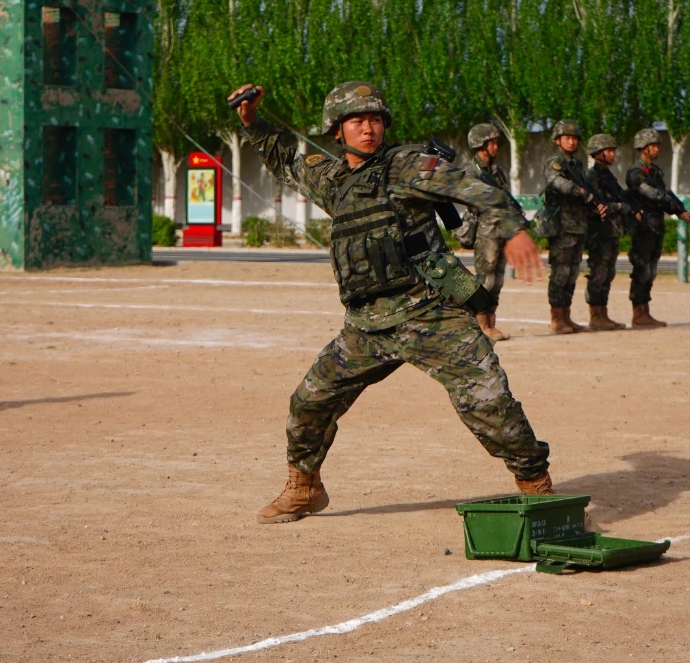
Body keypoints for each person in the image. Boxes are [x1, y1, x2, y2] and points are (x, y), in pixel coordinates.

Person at [229, 81, 554, 523]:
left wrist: (514, 228)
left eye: (376, 119)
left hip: (430, 314)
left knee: (489, 405)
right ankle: (304, 488)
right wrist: (252, 122)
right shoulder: (333, 180)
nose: (369, 129)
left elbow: (471, 187)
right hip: (365, 325)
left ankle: (538, 489)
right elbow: (285, 159)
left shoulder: (405, 166)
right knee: (310, 402)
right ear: (337, 130)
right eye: (358, 121)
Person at [458, 122, 524, 342]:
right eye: (491, 143)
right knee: (485, 279)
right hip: (485, 231)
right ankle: (481, 324)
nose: (495, 147)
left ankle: (491, 322)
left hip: (501, 229)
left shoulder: (497, 172)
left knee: (497, 279)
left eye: (496, 142)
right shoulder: (470, 171)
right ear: (479, 145)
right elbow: (472, 199)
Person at [541, 120, 608, 334]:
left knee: (572, 272)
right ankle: (556, 318)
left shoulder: (577, 166)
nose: (571, 141)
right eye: (567, 138)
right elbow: (555, 182)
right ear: (558, 140)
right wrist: (581, 192)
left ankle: (567, 316)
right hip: (561, 226)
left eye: (574, 138)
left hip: (578, 225)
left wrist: (596, 203)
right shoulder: (554, 162)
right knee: (560, 272)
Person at [626, 128, 690, 328]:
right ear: (642, 148)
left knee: (651, 269)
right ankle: (638, 312)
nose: (656, 149)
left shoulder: (655, 171)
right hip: (643, 225)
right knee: (641, 269)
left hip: (656, 224)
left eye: (657, 146)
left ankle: (645, 310)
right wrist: (670, 203)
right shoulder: (635, 172)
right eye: (652, 146)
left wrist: (680, 210)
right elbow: (651, 193)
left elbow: (666, 192)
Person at [582, 134, 637, 331]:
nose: (613, 154)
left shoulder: (608, 176)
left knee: (608, 272)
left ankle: (603, 313)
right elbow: (598, 205)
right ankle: (595, 315)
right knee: (598, 272)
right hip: (598, 231)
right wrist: (619, 206)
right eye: (609, 151)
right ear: (598, 153)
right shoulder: (591, 177)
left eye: (613, 150)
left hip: (611, 230)